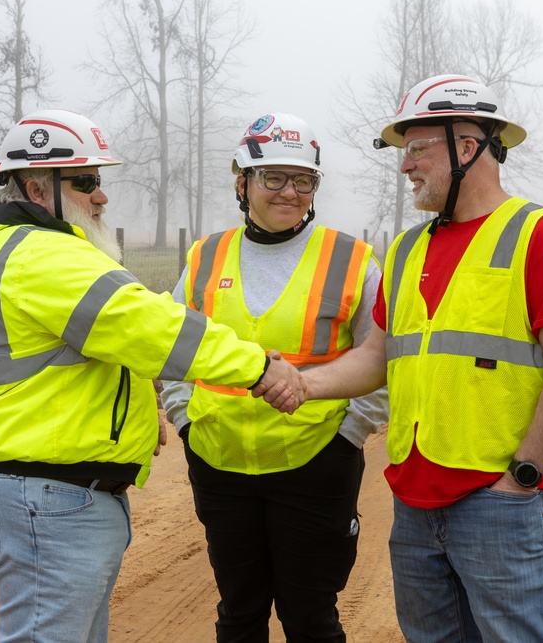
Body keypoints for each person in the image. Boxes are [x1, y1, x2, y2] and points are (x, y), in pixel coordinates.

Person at [0, 109, 305, 643]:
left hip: (51, 495)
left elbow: (108, 345)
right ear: (35, 186)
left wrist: (142, 403)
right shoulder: (48, 257)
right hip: (48, 500)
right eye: (86, 182)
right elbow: (155, 329)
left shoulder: (31, 251)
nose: (100, 196)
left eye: (100, 181)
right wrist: (260, 368)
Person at [287, 75, 543, 642]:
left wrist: (522, 477)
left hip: (498, 502)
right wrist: (302, 384)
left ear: (466, 147)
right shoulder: (407, 250)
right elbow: (377, 357)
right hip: (413, 502)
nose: (405, 166)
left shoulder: (541, 236)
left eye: (416, 148)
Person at [160, 113, 388, 642]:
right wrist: (185, 422)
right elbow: (174, 349)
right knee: (239, 613)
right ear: (241, 181)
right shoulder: (204, 257)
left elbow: (382, 359)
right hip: (219, 464)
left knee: (310, 617)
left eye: (303, 180)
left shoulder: (352, 259)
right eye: (273, 178)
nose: (290, 192)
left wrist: (349, 435)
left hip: (316, 464)